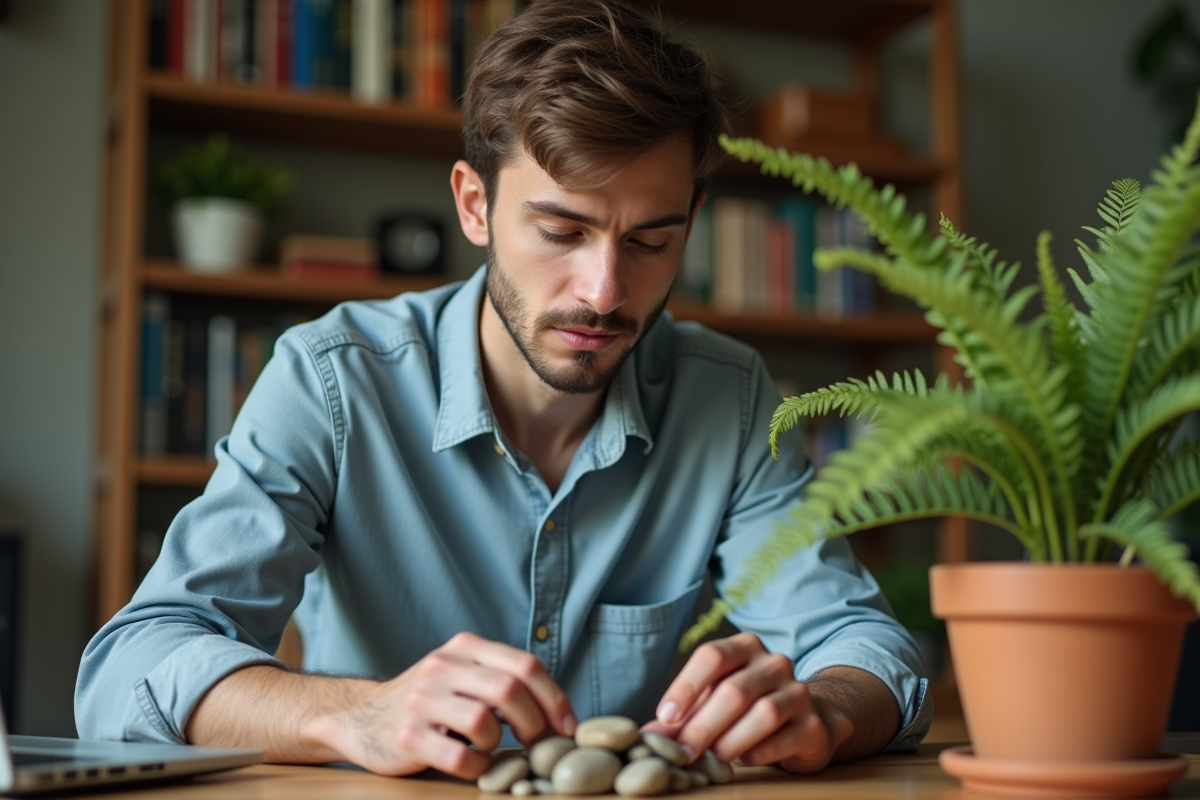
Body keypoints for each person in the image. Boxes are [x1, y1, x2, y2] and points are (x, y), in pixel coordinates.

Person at [76, 0, 930, 780]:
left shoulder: (732, 397)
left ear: (691, 226)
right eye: (561, 230)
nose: (604, 291)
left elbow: (863, 646)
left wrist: (825, 709)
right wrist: (360, 714)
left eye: (649, 242)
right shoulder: (331, 380)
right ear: (474, 205)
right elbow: (129, 671)